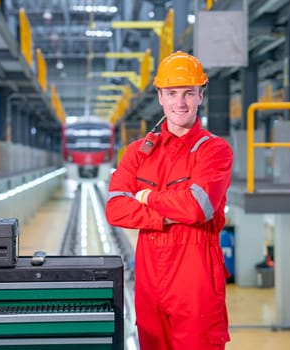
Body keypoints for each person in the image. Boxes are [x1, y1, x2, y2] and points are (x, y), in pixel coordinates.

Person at [105, 51, 233, 350]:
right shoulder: (138, 152)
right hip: (150, 286)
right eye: (172, 93)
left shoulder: (215, 151)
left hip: (196, 285)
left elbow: (198, 207)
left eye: (189, 93)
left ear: (201, 96)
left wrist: (147, 197)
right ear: (160, 96)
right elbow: (115, 209)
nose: (181, 102)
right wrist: (165, 215)